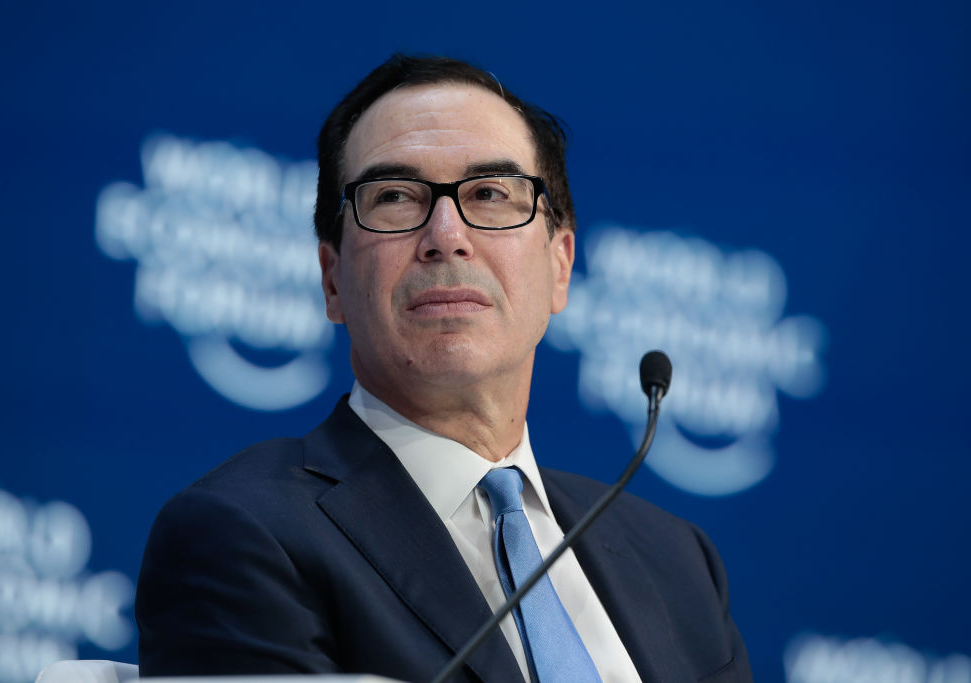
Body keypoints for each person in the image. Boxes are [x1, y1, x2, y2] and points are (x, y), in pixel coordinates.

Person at [135, 54, 752, 683]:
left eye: (490, 194)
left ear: (560, 265)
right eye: (395, 198)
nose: (446, 236)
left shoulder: (678, 561)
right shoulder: (242, 534)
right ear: (332, 280)